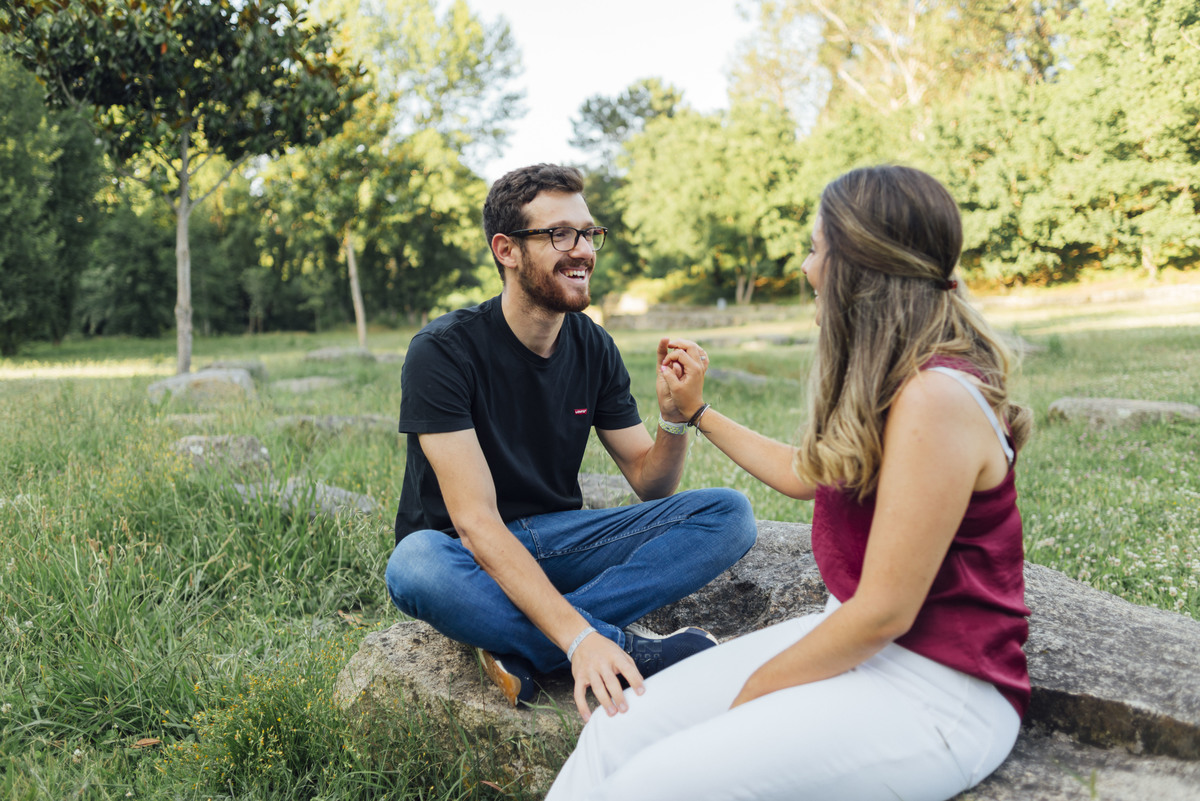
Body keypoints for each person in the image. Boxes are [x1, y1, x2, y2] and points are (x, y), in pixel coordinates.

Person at [546, 165, 1033, 801]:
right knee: (615, 733)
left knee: (650, 785)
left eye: (815, 248)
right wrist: (695, 412)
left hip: (934, 691)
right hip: (855, 645)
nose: (806, 269)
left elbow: (884, 611)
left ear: (859, 265)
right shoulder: (892, 381)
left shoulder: (935, 397)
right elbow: (807, 473)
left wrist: (755, 698)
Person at [385, 163, 757, 722]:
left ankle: (523, 645)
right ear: (507, 250)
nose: (582, 249)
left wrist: (674, 418)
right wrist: (583, 640)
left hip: (557, 544)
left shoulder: (593, 345)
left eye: (588, 233)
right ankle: (624, 649)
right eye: (559, 234)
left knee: (729, 515)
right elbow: (476, 523)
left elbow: (650, 482)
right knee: (412, 565)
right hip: (464, 556)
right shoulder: (442, 351)